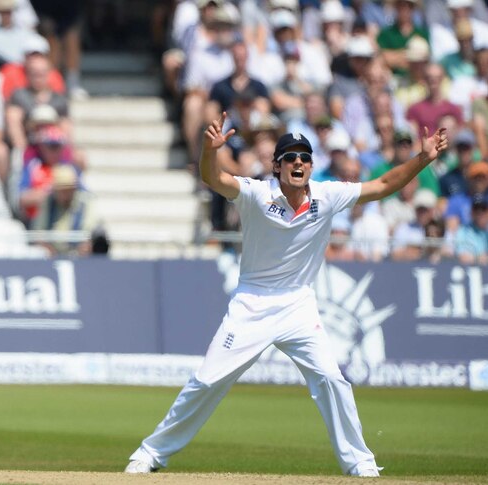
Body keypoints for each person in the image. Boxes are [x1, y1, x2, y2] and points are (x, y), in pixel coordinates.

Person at [125, 112, 448, 477]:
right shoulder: (256, 194)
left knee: (331, 379)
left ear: (311, 166)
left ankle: (360, 464)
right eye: (291, 158)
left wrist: (422, 159)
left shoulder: (328, 196)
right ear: (277, 167)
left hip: (297, 303)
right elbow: (211, 177)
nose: (298, 162)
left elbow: (383, 184)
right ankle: (150, 453)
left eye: (305, 157)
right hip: (252, 302)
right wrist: (208, 151)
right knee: (208, 380)